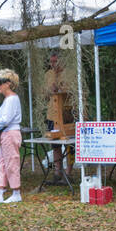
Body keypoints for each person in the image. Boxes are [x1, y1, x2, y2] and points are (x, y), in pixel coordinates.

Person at [0, 69, 23, 204]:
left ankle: (16, 192)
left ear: (8, 83)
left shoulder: (12, 99)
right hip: (6, 134)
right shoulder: (8, 100)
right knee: (1, 163)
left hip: (10, 133)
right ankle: (0, 191)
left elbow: (6, 119)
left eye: (0, 83)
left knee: (11, 162)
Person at [43, 50, 78, 183]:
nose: (53, 64)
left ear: (62, 61)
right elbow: (44, 95)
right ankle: (57, 171)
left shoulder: (70, 73)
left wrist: (61, 88)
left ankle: (69, 172)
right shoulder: (48, 75)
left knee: (70, 145)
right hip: (53, 114)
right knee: (55, 144)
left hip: (67, 113)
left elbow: (74, 92)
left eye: (55, 61)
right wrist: (48, 91)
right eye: (51, 62)